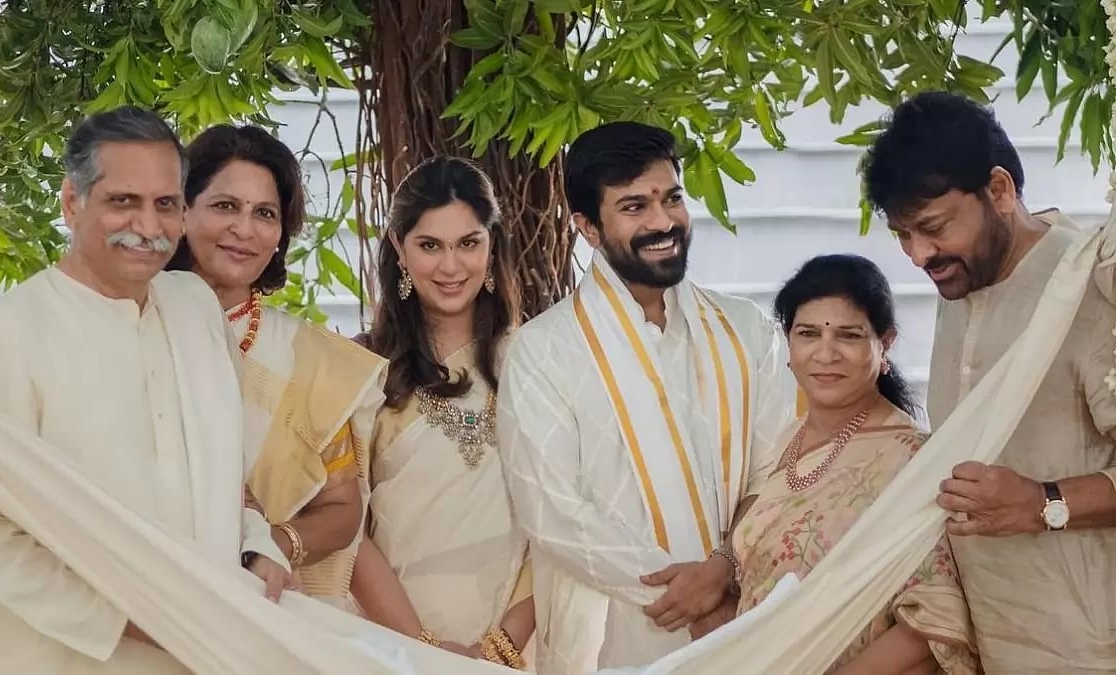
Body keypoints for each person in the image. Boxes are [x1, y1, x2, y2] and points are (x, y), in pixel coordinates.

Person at [0, 107, 290, 674]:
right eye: (124, 201)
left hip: (204, 653)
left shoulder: (195, 308)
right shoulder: (10, 336)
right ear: (72, 203)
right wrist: (132, 620)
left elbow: (225, 480)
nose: (148, 226)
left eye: (165, 204)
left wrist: (256, 548)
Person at [496, 121, 797, 674]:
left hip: (744, 619)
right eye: (634, 206)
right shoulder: (543, 350)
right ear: (587, 227)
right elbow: (553, 512)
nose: (662, 222)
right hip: (612, 640)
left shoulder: (747, 331)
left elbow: (780, 470)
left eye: (672, 198)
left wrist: (724, 570)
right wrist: (687, 598)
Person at [862, 91, 1116, 673]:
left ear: (999, 190)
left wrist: (1044, 502)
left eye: (932, 227)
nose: (918, 255)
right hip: (990, 649)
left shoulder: (1090, 287)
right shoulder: (960, 284)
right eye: (902, 235)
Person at [165, 124, 385, 609]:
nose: (244, 230)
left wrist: (275, 544)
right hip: (146, 592)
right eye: (225, 206)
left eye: (264, 213)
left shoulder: (312, 359)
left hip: (266, 607)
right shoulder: (137, 324)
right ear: (182, 211)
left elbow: (342, 509)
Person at [728, 254, 978, 674]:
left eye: (849, 335)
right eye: (808, 334)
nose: (826, 353)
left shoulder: (911, 459)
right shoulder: (786, 440)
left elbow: (934, 615)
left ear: (885, 344)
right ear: (789, 345)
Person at [347, 156, 533, 670]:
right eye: (430, 246)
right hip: (389, 650)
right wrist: (425, 651)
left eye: (468, 243)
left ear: (492, 247)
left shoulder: (536, 364)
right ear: (399, 249)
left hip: (520, 647)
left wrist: (499, 650)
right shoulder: (361, 370)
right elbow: (346, 529)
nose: (451, 267)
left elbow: (561, 523)